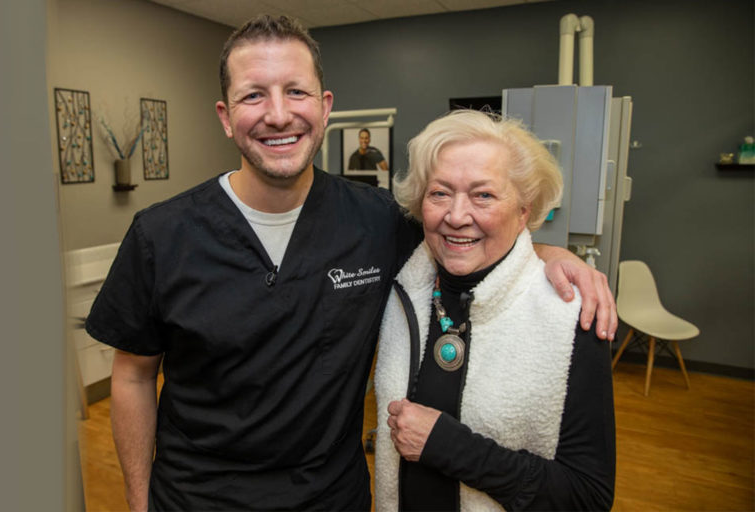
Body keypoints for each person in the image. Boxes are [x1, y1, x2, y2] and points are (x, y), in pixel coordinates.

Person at [86, 15, 616, 511]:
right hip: (196, 498)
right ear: (225, 116)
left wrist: (546, 254)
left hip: (331, 498)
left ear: (325, 107)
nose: (278, 113)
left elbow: (466, 236)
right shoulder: (161, 235)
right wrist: (140, 503)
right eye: (253, 95)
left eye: (296, 91)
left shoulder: (377, 222)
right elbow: (132, 378)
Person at [375, 110, 616, 511]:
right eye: (439, 193)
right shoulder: (400, 284)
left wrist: (453, 449)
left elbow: (588, 497)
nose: (456, 215)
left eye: (483, 195)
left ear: (524, 210)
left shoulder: (570, 317)